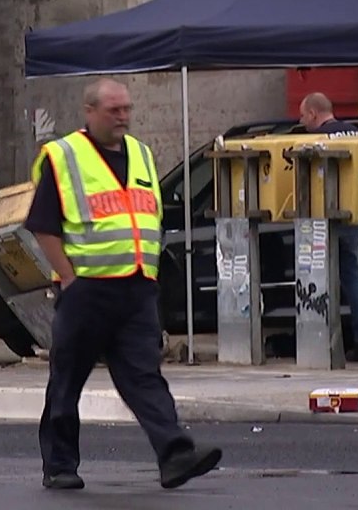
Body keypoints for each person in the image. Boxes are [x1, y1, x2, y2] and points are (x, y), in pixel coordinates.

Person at [25, 78, 223, 491]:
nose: (123, 117)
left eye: (127, 109)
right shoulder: (65, 157)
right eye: (114, 110)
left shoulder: (142, 155)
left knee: (144, 375)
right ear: (90, 111)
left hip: (135, 289)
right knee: (67, 379)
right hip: (87, 291)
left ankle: (174, 454)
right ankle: (60, 465)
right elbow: (43, 226)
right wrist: (68, 276)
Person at [298, 92, 358, 362]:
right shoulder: (354, 132)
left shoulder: (317, 140)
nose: (302, 121)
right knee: (352, 277)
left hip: (326, 216)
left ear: (314, 114)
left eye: (303, 116)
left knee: (322, 278)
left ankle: (327, 343)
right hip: (355, 214)